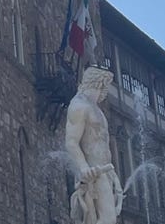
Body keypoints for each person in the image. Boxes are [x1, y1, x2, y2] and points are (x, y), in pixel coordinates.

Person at [64, 66, 124, 224]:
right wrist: (83, 167)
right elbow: (71, 141)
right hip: (94, 170)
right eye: (105, 86)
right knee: (108, 219)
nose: (104, 92)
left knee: (104, 218)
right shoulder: (79, 106)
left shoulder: (95, 108)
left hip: (105, 170)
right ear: (100, 83)